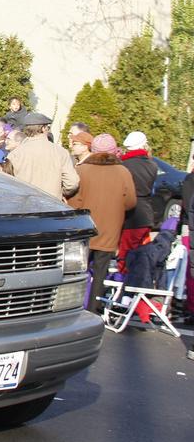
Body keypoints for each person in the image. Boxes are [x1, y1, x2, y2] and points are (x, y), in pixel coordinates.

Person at [66, 133, 136, 311]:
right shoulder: (123, 172)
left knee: (77, 269)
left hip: (84, 226)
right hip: (109, 228)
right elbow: (131, 202)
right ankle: (93, 308)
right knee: (100, 270)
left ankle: (72, 305)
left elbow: (73, 199)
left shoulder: (82, 170)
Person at [6, 112, 79, 200]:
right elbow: (72, 182)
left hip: (25, 206)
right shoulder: (60, 152)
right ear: (44, 128)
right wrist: (61, 192)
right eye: (48, 127)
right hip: (52, 205)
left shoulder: (15, 154)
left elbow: (7, 183)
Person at [117, 131, 159, 268]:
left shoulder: (123, 165)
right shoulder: (152, 165)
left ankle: (124, 285)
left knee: (125, 257)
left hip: (130, 216)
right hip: (145, 214)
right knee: (142, 258)